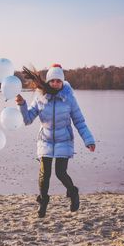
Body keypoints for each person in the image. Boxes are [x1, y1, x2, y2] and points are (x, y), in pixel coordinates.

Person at [15, 64, 95, 218]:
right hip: (45, 139)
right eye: (53, 81)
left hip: (64, 140)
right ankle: (43, 201)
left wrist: (88, 140)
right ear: (48, 81)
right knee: (44, 174)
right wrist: (22, 105)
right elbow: (27, 119)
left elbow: (79, 121)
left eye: (59, 81)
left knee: (60, 172)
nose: (56, 84)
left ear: (62, 82)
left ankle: (73, 192)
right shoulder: (40, 97)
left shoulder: (69, 98)